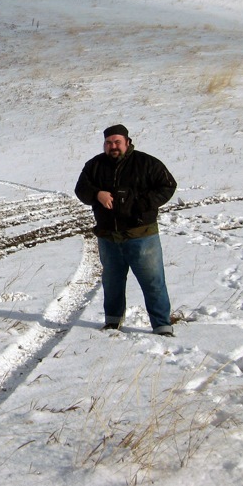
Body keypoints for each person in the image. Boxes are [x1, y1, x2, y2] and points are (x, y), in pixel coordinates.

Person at [74, 124, 177, 336]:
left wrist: (141, 203)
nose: (113, 146)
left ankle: (162, 325)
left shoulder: (146, 163)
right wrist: (97, 195)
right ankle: (112, 321)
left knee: (153, 281)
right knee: (112, 282)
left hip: (141, 235)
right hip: (108, 236)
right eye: (109, 143)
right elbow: (81, 189)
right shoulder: (95, 165)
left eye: (117, 142)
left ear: (127, 142)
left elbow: (168, 185)